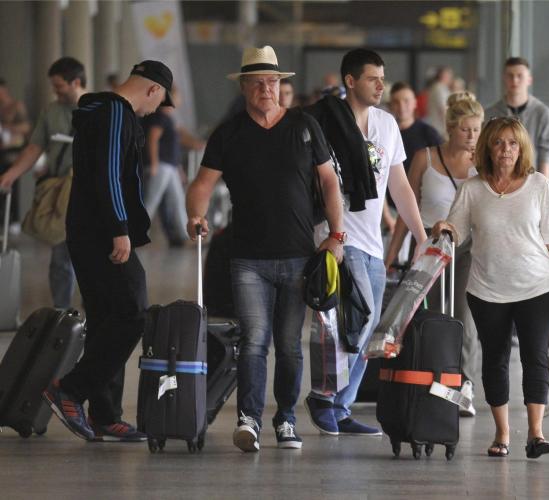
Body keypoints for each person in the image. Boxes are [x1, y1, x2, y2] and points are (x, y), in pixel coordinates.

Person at [186, 46, 344, 453]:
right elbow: (202, 185)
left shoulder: (304, 126)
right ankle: (249, 420)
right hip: (248, 259)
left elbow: (329, 181)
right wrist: (195, 216)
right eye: (257, 83)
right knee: (255, 340)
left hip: (298, 256)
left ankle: (286, 419)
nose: (265, 89)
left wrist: (337, 235)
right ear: (243, 87)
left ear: (280, 85)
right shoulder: (229, 134)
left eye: (272, 82)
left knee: (289, 347)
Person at [42, 60, 175, 442]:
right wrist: (120, 229)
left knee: (106, 319)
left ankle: (105, 414)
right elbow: (109, 173)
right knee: (132, 313)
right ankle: (71, 390)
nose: (155, 111)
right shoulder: (116, 112)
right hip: (102, 232)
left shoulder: (97, 110)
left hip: (85, 229)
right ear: (152, 89)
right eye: (160, 101)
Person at [433, 117, 549, 459]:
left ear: (522, 148)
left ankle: (536, 433)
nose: (506, 150)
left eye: (513, 143)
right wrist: (443, 228)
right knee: (494, 360)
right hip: (487, 290)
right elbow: (456, 232)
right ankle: (502, 433)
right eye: (498, 143)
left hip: (538, 287)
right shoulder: (472, 189)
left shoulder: (539, 185)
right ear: (488, 148)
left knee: (535, 356)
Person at [304, 48, 428, 436]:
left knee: (371, 326)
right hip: (339, 237)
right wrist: (331, 236)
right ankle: (323, 397)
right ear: (350, 81)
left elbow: (399, 186)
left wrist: (420, 235)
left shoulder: (387, 124)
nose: (380, 86)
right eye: (373, 78)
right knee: (351, 323)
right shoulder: (325, 123)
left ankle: (341, 406)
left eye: (383, 79)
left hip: (374, 241)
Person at [384, 92, 483, 416]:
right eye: (466, 129)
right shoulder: (425, 158)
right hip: (429, 244)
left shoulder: (482, 163)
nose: (472, 136)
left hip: (467, 246)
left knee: (464, 316)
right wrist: (391, 255)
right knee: (431, 315)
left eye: (477, 129)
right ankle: (432, 377)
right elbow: (406, 210)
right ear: (451, 128)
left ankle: (464, 383)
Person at [0, 58, 85, 310]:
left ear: (76, 82)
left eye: (59, 86)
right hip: (61, 191)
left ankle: (93, 310)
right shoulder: (51, 111)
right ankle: (61, 311)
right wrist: (12, 174)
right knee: (60, 254)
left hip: (90, 191)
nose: (55, 91)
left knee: (91, 255)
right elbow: (34, 147)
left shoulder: (99, 109)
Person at [142, 86, 203, 246]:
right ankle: (137, 232)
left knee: (176, 201)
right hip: (161, 166)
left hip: (169, 167)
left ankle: (183, 236)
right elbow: (153, 139)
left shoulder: (168, 118)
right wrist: (154, 163)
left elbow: (173, 147)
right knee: (151, 200)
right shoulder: (159, 117)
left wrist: (179, 170)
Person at [382, 81, 442, 242]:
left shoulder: (428, 134)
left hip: (422, 209)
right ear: (390, 105)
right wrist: (386, 215)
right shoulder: (384, 134)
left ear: (415, 102)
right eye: (396, 102)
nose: (402, 106)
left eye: (406, 101)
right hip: (389, 208)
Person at [485, 57, 549, 179]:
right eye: (510, 76)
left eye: (520, 76)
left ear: (529, 79)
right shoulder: (489, 114)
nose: (515, 80)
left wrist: (542, 186)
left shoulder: (543, 113)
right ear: (504, 78)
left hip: (530, 181)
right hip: (496, 181)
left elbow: (546, 156)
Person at [426, 66, 454, 139]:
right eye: (449, 76)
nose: (450, 78)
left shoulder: (438, 87)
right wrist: (449, 128)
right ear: (443, 76)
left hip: (438, 127)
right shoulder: (439, 88)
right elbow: (443, 110)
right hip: (440, 128)